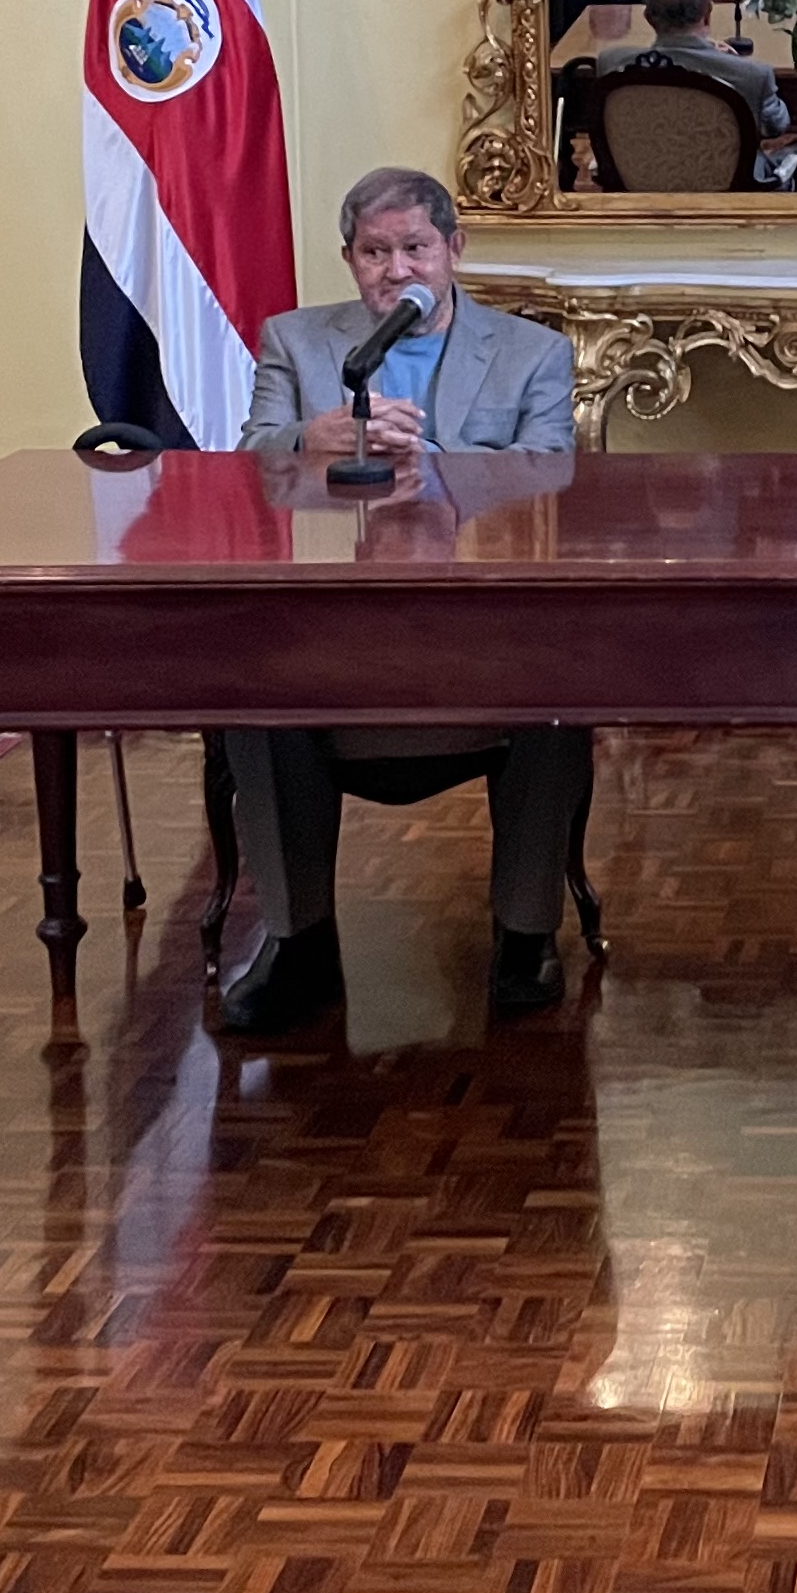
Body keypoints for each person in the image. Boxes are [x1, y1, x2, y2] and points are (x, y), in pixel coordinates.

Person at [227, 168, 590, 1030]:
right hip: (334, 619)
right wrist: (310, 439)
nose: (397, 271)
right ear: (349, 261)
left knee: (567, 691)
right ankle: (296, 940)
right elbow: (240, 469)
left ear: (454, 250)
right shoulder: (300, 342)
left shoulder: (532, 350)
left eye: (415, 249)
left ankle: (525, 934)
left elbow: (552, 476)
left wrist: (426, 456)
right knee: (250, 699)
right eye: (374, 253)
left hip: (479, 621)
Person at [593, 0, 795, 178]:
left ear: (648, 18)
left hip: (641, 194)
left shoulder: (610, 64)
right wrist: (729, 61)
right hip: (730, 200)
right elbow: (776, 126)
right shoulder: (750, 75)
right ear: (708, 12)